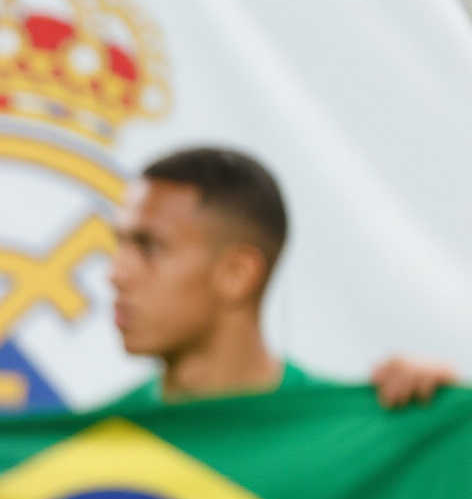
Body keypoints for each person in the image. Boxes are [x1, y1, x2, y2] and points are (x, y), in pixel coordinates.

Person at [108, 145, 458, 407]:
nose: (115, 274)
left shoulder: (348, 432)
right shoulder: (98, 445)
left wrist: (443, 416)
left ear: (237, 274)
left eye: (148, 246)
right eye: (120, 244)